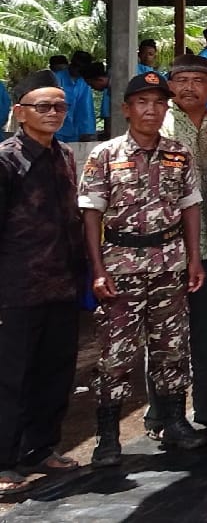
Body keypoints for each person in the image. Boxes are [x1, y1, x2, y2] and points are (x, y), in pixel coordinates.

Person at [80, 72, 207, 466]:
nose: (151, 110)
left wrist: (194, 258)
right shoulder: (105, 155)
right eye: (142, 102)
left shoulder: (178, 154)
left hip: (169, 264)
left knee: (172, 348)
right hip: (121, 265)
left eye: (158, 103)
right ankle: (107, 436)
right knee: (116, 353)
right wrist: (97, 269)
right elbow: (91, 214)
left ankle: (174, 421)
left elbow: (190, 207)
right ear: (126, 109)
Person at [0, 71, 84, 493]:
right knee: (12, 377)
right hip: (17, 288)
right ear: (20, 112)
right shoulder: (7, 160)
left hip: (62, 284)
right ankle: (4, 461)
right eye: (43, 106)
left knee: (55, 371)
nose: (53, 113)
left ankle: (41, 448)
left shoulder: (64, 154)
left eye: (59, 106)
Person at [160, 54, 207, 433]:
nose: (189, 87)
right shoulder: (157, 124)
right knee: (164, 336)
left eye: (198, 80)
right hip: (166, 249)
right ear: (169, 85)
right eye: (182, 80)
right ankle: (162, 415)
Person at [55, 51, 96, 142]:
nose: (77, 69)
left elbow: (86, 109)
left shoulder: (84, 82)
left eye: (81, 68)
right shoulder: (56, 78)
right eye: (76, 66)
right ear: (71, 64)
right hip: (57, 130)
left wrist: (88, 131)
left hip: (76, 132)